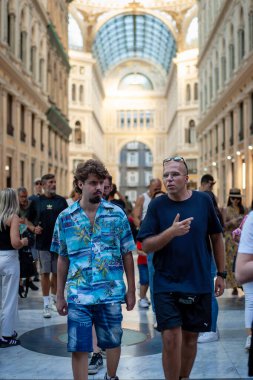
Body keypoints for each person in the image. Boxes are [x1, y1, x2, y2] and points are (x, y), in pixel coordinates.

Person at [137, 156, 225, 380]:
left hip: (197, 281)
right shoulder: (157, 205)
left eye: (174, 174)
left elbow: (216, 237)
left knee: (190, 338)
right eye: (166, 174)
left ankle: (183, 377)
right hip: (166, 283)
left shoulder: (203, 201)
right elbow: (146, 245)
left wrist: (221, 274)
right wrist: (171, 232)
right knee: (170, 337)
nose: (169, 179)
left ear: (187, 178)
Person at [51, 159, 136, 380]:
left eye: (101, 183)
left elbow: (128, 254)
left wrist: (132, 290)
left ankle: (111, 376)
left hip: (110, 292)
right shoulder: (65, 218)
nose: (99, 187)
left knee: (113, 340)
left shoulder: (116, 215)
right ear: (80, 184)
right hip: (78, 294)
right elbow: (62, 258)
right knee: (79, 346)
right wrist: (59, 295)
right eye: (93, 183)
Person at [27, 174, 68, 318]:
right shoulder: (36, 202)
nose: (53, 184)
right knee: (45, 273)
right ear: (43, 185)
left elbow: (68, 220)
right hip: (42, 243)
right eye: (51, 182)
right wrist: (33, 229)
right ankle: (45, 305)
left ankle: (54, 298)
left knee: (57, 273)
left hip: (59, 244)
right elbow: (27, 220)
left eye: (55, 182)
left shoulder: (61, 201)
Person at [0, 188, 28, 348]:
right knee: (9, 299)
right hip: (9, 259)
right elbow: (15, 243)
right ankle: (5, 336)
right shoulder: (13, 217)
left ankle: (5, 331)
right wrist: (24, 242)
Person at [198, 178, 224, 344]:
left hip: (208, 260)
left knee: (208, 295)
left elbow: (214, 240)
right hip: (210, 260)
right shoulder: (215, 215)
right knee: (207, 295)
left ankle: (212, 329)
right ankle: (211, 326)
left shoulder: (208, 217)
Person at [235, 211, 253, 374]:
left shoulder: (248, 218)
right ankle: (250, 336)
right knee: (251, 301)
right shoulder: (250, 219)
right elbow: (241, 271)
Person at [224, 188, 245, 295]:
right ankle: (233, 286)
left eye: (237, 199)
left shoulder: (242, 209)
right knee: (231, 262)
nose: (235, 201)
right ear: (230, 199)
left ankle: (241, 283)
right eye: (233, 198)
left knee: (240, 260)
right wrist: (233, 221)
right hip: (229, 240)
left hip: (241, 239)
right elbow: (223, 226)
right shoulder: (226, 209)